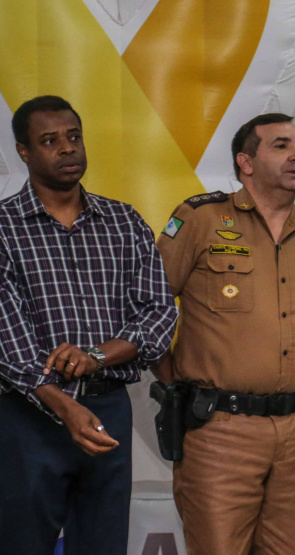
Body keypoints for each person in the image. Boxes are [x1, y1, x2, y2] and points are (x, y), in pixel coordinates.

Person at [155, 113, 295, 555]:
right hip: (220, 432)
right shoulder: (201, 218)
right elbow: (150, 306)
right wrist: (174, 385)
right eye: (281, 145)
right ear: (246, 162)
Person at [0, 95, 178, 554]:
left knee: (103, 546)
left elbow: (159, 313)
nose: (66, 148)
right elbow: (9, 342)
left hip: (108, 409)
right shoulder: (3, 228)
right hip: (29, 417)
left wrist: (96, 355)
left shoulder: (123, 221)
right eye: (50, 141)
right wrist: (64, 406)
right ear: (23, 151)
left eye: (73, 137)